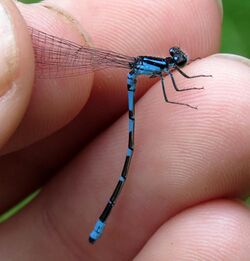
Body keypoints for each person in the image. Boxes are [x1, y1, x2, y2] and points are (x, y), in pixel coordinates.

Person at [0, 0, 250, 259]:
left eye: (178, 61)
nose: (178, 63)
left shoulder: (165, 68)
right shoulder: (164, 70)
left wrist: (196, 80)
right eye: (177, 61)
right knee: (128, 155)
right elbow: (169, 95)